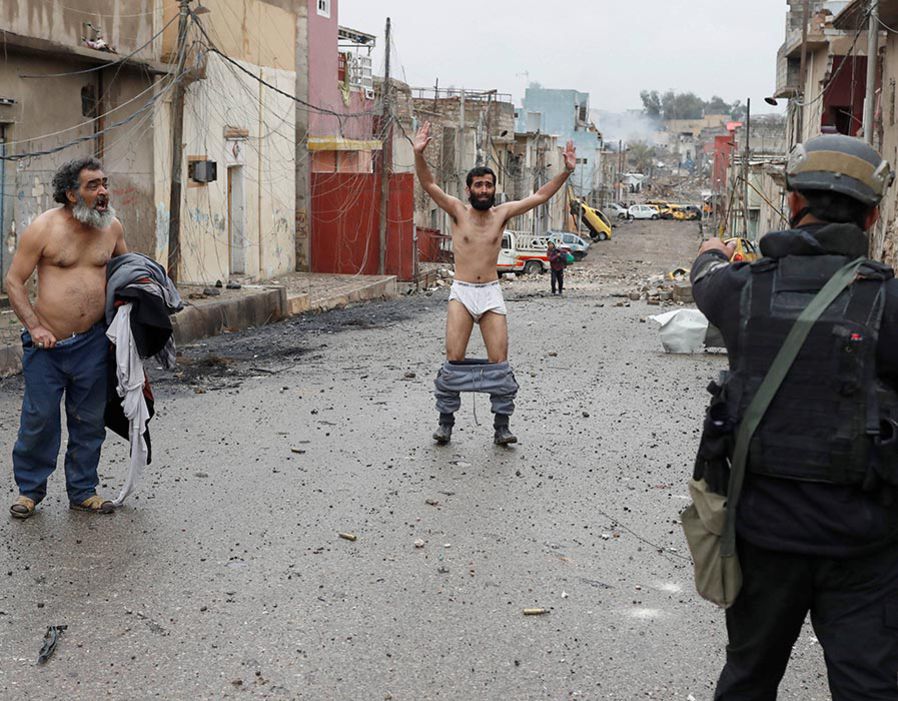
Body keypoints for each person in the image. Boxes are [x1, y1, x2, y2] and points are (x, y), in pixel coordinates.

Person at [690, 134, 898, 699]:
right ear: (874, 215)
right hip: (864, 542)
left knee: (748, 681)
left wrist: (713, 248)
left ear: (792, 204)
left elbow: (703, 275)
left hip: (764, 535)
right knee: (871, 688)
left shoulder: (739, 290)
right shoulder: (889, 301)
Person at [414, 121, 575, 445]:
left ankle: (502, 426)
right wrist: (418, 154)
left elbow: (541, 195)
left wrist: (566, 172)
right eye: (478, 185)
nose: (484, 190)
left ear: (494, 188)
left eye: (488, 185)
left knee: (499, 362)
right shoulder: (458, 211)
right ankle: (446, 422)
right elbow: (429, 183)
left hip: (490, 293)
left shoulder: (502, 214)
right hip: (462, 293)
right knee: (454, 359)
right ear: (469, 189)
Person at [5, 156, 127, 519]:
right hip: (48, 346)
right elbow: (13, 282)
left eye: (104, 183)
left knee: (88, 420)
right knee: (40, 418)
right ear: (71, 194)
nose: (103, 191)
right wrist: (35, 326)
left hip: (92, 342)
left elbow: (127, 273)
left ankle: (83, 490)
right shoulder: (44, 229)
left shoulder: (113, 228)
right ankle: (29, 490)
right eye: (93, 186)